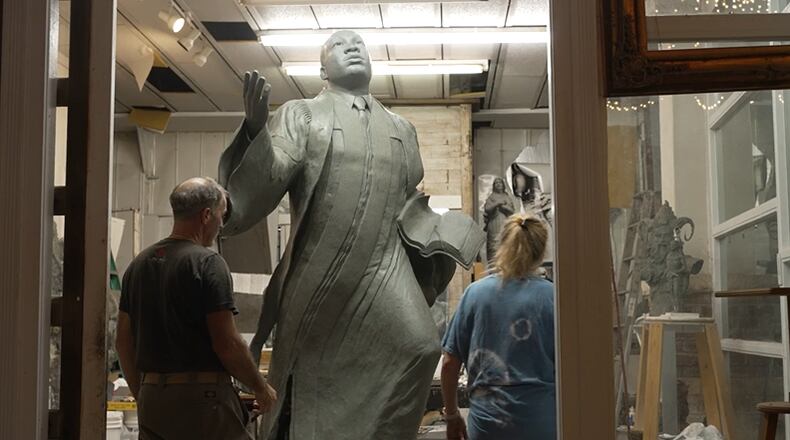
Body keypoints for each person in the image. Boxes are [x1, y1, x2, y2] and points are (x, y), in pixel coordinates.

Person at [218, 30, 481, 439]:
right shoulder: (302, 114)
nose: (353, 48)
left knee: (421, 345)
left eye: (359, 44)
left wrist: (443, 231)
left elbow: (407, 200)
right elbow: (271, 175)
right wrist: (256, 130)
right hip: (321, 262)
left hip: (383, 259)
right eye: (340, 46)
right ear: (323, 70)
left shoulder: (401, 128)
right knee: (310, 364)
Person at [116, 177, 277, 440]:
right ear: (206, 215)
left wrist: (144, 393)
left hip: (153, 400)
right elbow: (227, 343)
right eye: (221, 216)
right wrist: (261, 388)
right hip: (203, 403)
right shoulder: (208, 263)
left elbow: (123, 342)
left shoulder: (138, 265)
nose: (221, 224)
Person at [441, 214, 556, 440]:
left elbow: (448, 364)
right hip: (542, 423)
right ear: (541, 252)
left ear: (501, 246)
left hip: (489, 425)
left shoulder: (475, 294)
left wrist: (452, 415)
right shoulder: (553, 297)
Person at [483, 177, 515, 265]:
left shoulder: (507, 197)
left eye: (500, 183)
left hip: (504, 223)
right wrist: (497, 203)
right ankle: (493, 267)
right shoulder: (491, 197)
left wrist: (503, 207)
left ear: (503, 185)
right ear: (494, 186)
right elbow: (487, 208)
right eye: (496, 183)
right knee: (493, 246)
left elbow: (512, 211)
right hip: (494, 223)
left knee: (505, 244)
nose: (498, 184)